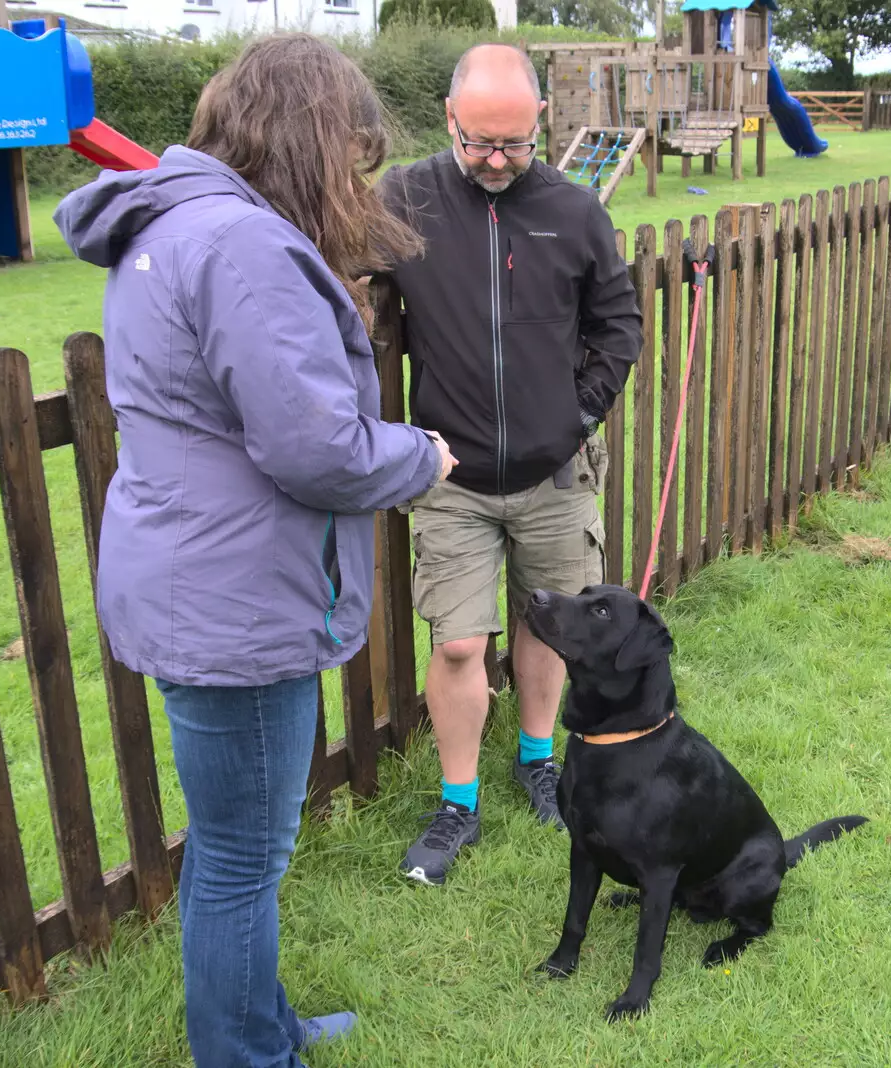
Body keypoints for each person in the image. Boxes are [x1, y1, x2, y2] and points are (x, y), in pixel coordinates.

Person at [52, 33, 456, 1067]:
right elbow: (314, 448)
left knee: (236, 849)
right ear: (310, 139)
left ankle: (259, 1025)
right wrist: (419, 454)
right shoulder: (239, 245)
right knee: (242, 857)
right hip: (234, 601)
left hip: (202, 579)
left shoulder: (181, 224)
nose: (358, 179)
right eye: (352, 157)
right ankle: (245, 1056)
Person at [374, 43, 644, 886]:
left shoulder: (573, 209)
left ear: (540, 129)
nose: (496, 161)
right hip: (449, 475)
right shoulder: (405, 198)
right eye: (479, 143)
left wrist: (576, 415)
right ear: (449, 122)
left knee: (545, 627)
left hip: (553, 475)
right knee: (458, 644)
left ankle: (537, 761)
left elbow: (619, 324)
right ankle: (458, 805)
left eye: (515, 145)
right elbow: (343, 286)